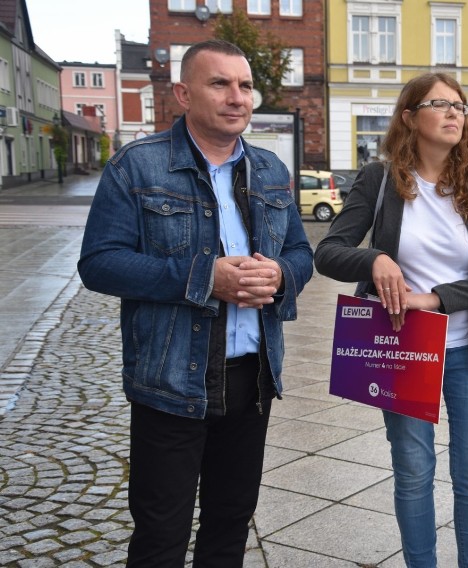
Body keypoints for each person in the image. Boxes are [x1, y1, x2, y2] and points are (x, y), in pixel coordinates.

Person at [77, 39, 313, 567]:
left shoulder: (271, 171)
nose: (237, 97)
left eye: (245, 85)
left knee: (229, 524)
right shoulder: (137, 168)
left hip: (252, 377)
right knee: (162, 534)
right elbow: (98, 263)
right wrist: (204, 277)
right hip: (170, 379)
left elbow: (301, 252)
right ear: (184, 93)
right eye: (220, 83)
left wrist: (280, 274)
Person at [314, 72, 468, 567]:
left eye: (461, 106)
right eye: (440, 104)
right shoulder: (380, 179)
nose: (455, 113)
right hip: (403, 349)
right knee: (412, 471)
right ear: (409, 117)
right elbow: (327, 252)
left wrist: (436, 299)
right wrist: (374, 261)